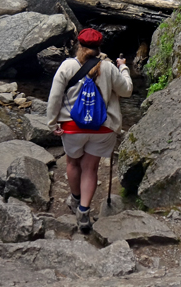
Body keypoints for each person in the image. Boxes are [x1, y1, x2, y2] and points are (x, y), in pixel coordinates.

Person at [46, 28, 133, 232]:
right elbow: (127, 91)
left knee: (72, 162)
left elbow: (55, 97)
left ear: (79, 45)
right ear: (99, 47)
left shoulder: (67, 66)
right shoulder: (110, 68)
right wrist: (124, 69)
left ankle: (75, 199)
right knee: (91, 168)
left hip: (72, 127)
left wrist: (52, 123)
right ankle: (84, 212)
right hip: (102, 128)